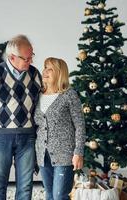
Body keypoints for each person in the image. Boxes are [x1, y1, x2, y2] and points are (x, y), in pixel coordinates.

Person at [0, 35, 42, 200]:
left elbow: (41, 107)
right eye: (27, 58)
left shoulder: (35, 74)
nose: (30, 61)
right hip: (0, 138)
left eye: (32, 56)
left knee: (25, 187)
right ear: (12, 57)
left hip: (28, 138)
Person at [34, 57, 86, 200]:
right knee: (49, 194)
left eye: (50, 69)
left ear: (59, 73)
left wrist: (78, 152)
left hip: (65, 154)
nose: (45, 71)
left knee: (59, 196)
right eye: (44, 67)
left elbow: (80, 125)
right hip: (42, 155)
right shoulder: (37, 95)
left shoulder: (69, 94)